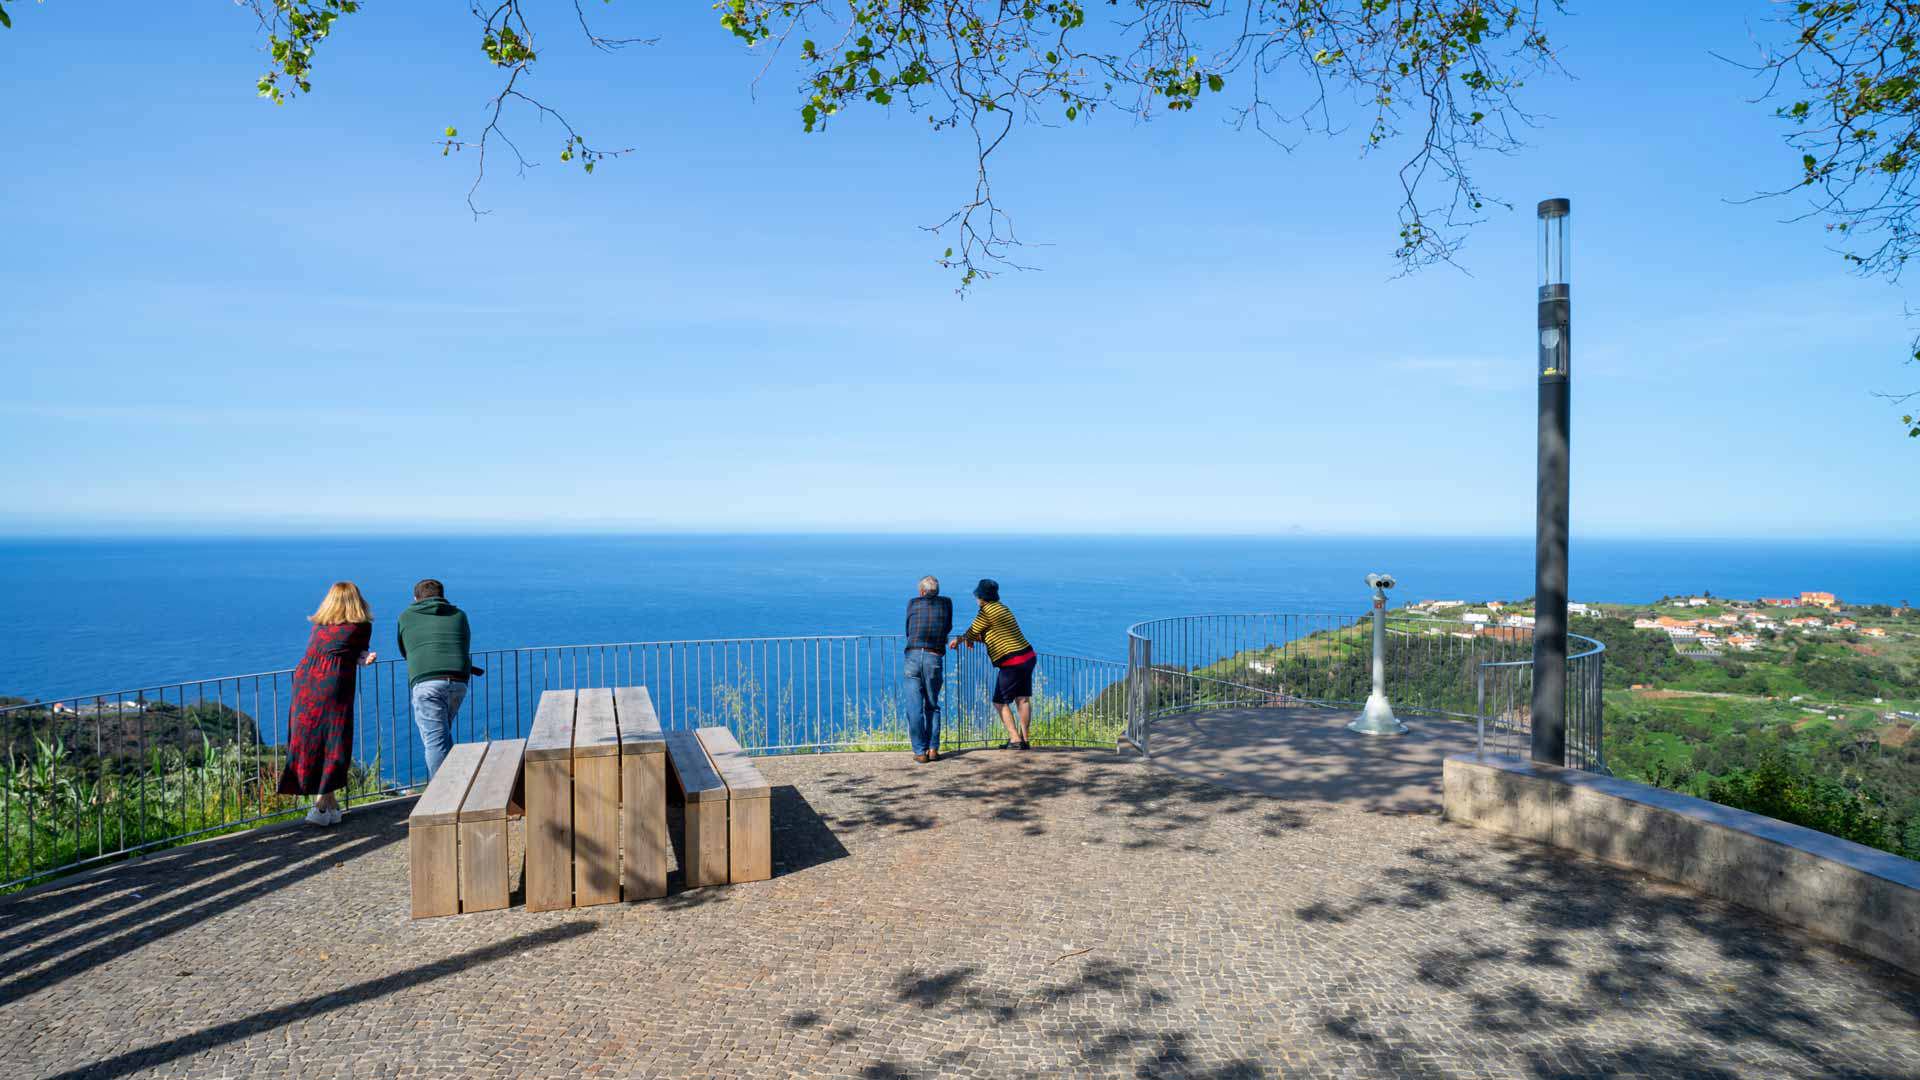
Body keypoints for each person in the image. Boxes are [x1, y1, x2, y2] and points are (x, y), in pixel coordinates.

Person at [278, 581, 377, 826]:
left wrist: (359, 657)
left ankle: (329, 806)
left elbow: (340, 650)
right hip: (333, 683)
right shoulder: (361, 626)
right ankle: (322, 805)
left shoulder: (319, 625)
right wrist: (364, 658)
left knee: (310, 739)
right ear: (356, 600)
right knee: (334, 738)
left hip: (304, 682)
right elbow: (355, 653)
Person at [397, 578, 473, 779]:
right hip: (459, 682)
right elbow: (464, 644)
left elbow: (404, 650)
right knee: (443, 736)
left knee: (434, 742)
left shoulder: (406, 616)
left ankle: (440, 793)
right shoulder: (459, 615)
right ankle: (453, 784)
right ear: (442, 596)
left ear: (416, 598)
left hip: (427, 684)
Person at [950, 578, 1036, 750]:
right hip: (1027, 656)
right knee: (1022, 699)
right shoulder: (1002, 608)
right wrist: (972, 639)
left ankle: (1015, 739)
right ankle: (1025, 740)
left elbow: (973, 631)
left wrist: (959, 640)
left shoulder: (986, 611)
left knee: (999, 702)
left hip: (1012, 661)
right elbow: (994, 633)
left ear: (981, 597)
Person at [902, 575, 953, 763]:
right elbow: (948, 627)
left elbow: (909, 629)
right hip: (933, 656)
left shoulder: (913, 603)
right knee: (932, 705)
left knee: (914, 707)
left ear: (922, 592)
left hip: (913, 656)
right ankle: (933, 749)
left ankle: (919, 751)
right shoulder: (946, 603)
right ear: (937, 591)